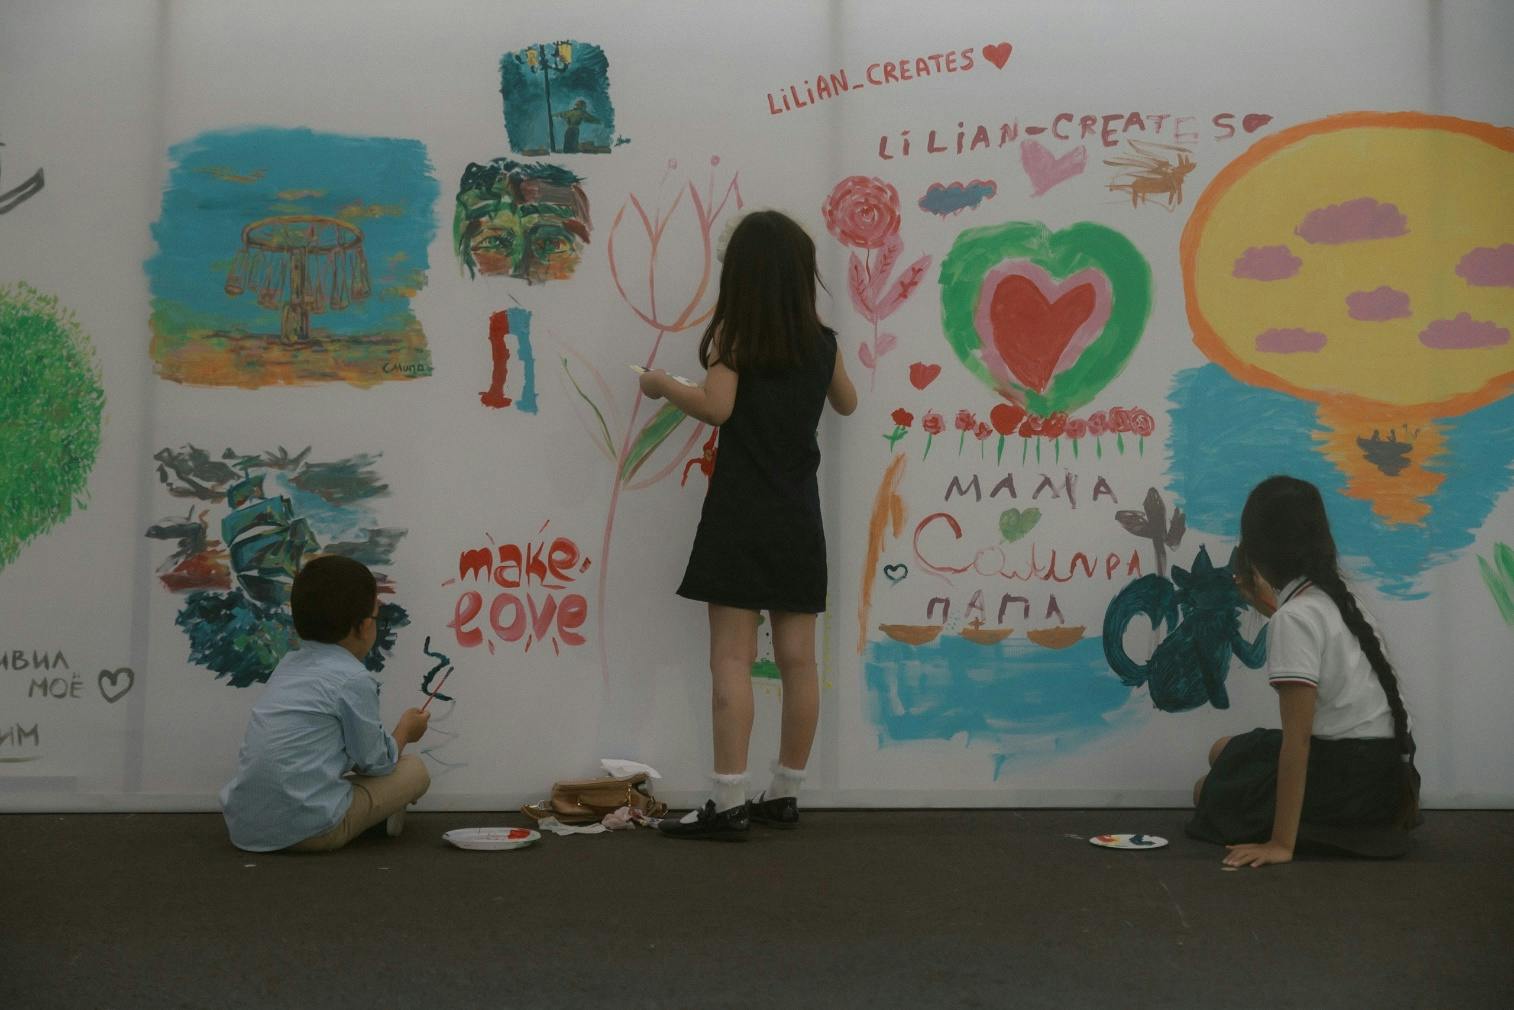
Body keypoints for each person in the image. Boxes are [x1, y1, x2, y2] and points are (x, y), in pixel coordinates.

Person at [638, 209, 857, 840]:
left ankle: (727, 800)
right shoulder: (822, 342)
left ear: (742, 276)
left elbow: (716, 407)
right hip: (798, 515)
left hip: (739, 513)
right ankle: (785, 792)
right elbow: (847, 402)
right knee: (799, 662)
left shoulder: (736, 339)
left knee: (731, 659)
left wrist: (661, 384)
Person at [1189, 476, 1421, 866]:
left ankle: (1311, 829)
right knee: (1221, 751)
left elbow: (1298, 744)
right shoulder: (1337, 600)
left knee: (1203, 792)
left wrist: (1281, 845)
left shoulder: (1296, 616)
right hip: (1378, 773)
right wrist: (1272, 609)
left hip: (1345, 785)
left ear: (1255, 549)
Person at [220, 555, 432, 852]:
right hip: (311, 831)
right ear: (360, 627)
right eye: (375, 617)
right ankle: (373, 820)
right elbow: (375, 763)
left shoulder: (289, 664)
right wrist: (406, 731)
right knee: (414, 770)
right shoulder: (352, 679)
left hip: (244, 828)